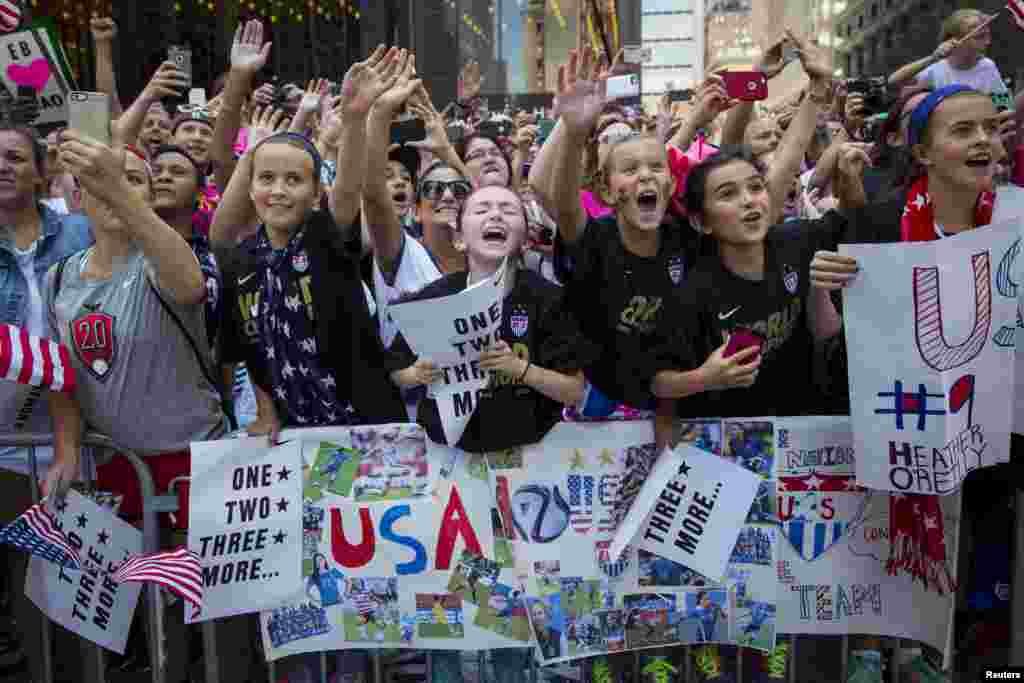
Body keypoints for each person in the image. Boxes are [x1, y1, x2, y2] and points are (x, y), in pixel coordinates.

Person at [214, 47, 408, 443]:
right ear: (250, 189)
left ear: (316, 191)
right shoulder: (240, 262)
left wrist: (355, 119)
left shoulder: (325, 235)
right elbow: (251, 351)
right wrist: (265, 413)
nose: (279, 191)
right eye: (266, 178)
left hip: (366, 427)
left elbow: (349, 188)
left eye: (293, 180)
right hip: (294, 436)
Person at [388, 184, 593, 453]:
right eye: (482, 209)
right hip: (447, 455)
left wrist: (519, 368)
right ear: (460, 239)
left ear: (524, 239)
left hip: (532, 453)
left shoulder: (551, 300)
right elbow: (393, 373)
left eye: (508, 210)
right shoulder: (433, 299)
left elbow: (576, 392)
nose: (495, 215)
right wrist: (415, 374)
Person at [0, 124, 93, 683]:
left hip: (75, 446)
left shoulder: (81, 233)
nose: (2, 166)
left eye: (13, 156)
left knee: (63, 601)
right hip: (5, 448)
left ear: (41, 171)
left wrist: (69, 445)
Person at [890, 9, 1010, 107]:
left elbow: (1004, 105)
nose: (988, 42)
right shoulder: (936, 68)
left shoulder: (988, 66)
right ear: (955, 40)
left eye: (988, 35)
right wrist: (932, 58)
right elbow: (894, 81)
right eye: (980, 36)